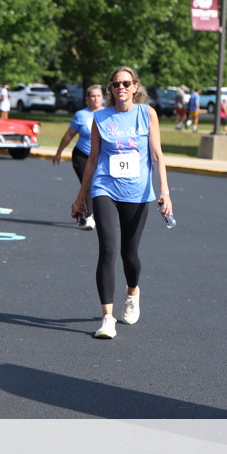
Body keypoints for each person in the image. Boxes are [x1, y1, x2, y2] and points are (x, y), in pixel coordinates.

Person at [72, 66, 172, 340]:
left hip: (137, 192)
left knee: (130, 255)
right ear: (111, 88)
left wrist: (165, 191)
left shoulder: (147, 114)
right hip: (105, 187)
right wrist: (81, 196)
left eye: (126, 83)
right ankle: (107, 318)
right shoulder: (100, 117)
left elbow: (157, 155)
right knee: (107, 250)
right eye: (116, 84)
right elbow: (93, 159)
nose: (121, 87)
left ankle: (132, 292)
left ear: (135, 86)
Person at [53, 84, 105, 230]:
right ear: (87, 98)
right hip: (82, 155)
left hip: (101, 157)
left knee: (101, 186)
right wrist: (59, 152)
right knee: (88, 184)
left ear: (103, 98)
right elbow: (69, 134)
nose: (96, 99)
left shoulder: (108, 113)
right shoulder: (81, 115)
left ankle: (93, 213)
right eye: (92, 96)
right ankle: (89, 217)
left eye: (98, 96)